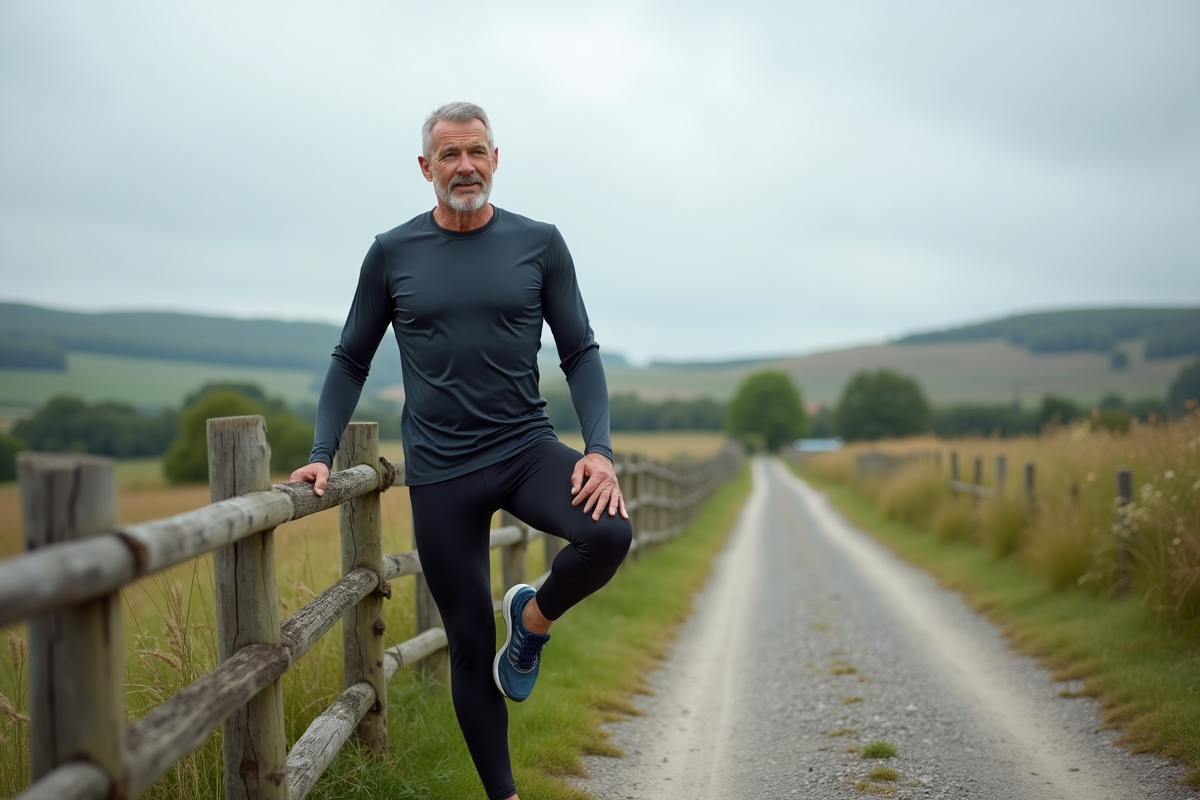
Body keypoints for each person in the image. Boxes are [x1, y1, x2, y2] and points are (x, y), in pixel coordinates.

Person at [290, 101, 633, 800]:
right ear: (426, 168)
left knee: (609, 532)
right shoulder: (393, 252)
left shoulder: (540, 243)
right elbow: (351, 357)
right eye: (449, 154)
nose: (465, 166)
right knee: (471, 644)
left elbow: (581, 352)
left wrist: (597, 448)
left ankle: (531, 620)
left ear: (496, 158)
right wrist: (322, 450)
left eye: (476, 151)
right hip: (442, 473)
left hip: (526, 447)